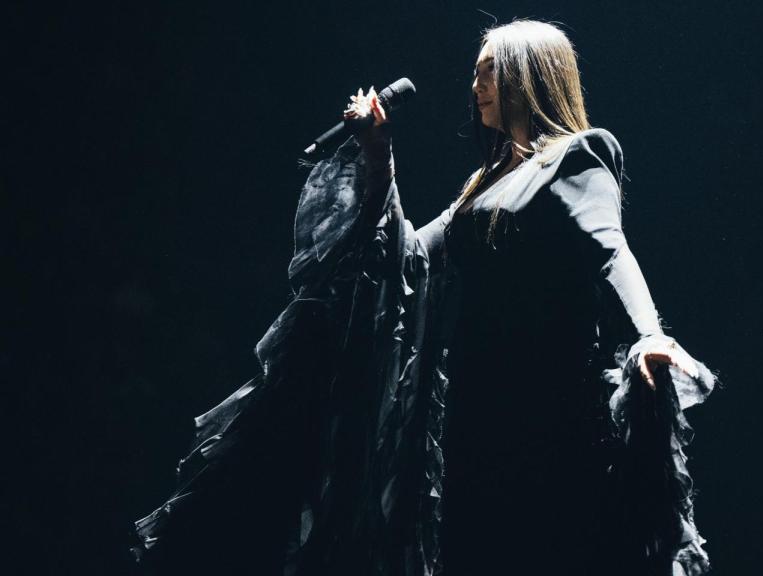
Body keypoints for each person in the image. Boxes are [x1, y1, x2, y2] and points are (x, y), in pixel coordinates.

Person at [132, 19, 714, 576]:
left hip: (548, 409)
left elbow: (609, 249)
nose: (476, 85)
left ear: (526, 75)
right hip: (474, 416)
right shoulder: (481, 186)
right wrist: (378, 150)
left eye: (488, 71)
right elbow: (408, 256)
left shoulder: (575, 155)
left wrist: (647, 333)